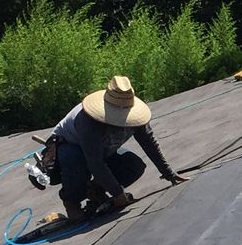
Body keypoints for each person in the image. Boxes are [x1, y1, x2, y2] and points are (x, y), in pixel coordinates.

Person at [42, 75, 185, 220]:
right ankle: (71, 202)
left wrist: (168, 172)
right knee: (73, 158)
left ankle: (96, 190)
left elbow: (148, 141)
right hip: (69, 150)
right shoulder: (86, 120)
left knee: (134, 166)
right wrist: (118, 194)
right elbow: (95, 162)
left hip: (103, 150)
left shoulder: (134, 115)